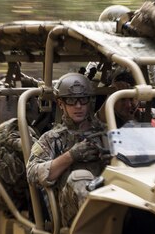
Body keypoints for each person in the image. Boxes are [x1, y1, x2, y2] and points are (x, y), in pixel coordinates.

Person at [27, 72, 106, 225]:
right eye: (71, 100)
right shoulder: (52, 138)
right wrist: (71, 156)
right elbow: (33, 174)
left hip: (109, 195)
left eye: (83, 100)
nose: (78, 106)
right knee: (80, 177)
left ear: (89, 101)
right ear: (61, 103)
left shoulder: (106, 133)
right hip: (69, 209)